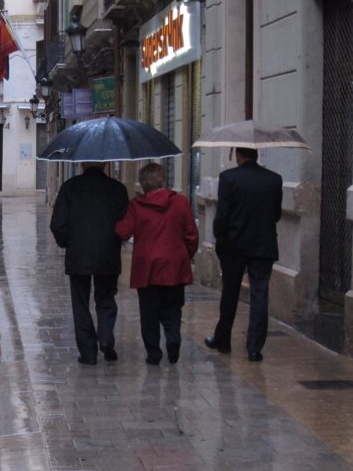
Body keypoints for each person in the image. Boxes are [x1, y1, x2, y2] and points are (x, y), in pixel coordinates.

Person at [115, 163, 198, 365]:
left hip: (147, 268)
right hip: (173, 266)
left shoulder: (136, 205)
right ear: (163, 179)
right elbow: (192, 235)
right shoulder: (180, 202)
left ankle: (153, 352)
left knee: (149, 312)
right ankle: (173, 339)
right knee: (172, 307)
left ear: (143, 184)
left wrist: (116, 220)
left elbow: (123, 232)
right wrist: (184, 255)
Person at [204, 147, 283, 362]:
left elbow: (222, 217)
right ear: (255, 156)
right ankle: (254, 348)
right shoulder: (274, 180)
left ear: (239, 156)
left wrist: (220, 238)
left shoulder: (228, 178)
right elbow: (276, 214)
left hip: (234, 245)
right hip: (263, 246)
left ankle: (223, 340)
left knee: (229, 293)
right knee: (260, 296)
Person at [50, 163, 129, 365]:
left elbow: (57, 224)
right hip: (107, 253)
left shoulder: (69, 188)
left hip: (78, 253)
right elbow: (125, 224)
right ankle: (105, 339)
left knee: (80, 302)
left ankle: (88, 352)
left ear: (82, 164)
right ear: (104, 164)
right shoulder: (118, 189)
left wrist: (68, 242)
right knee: (106, 297)